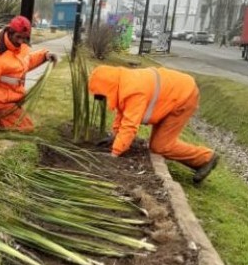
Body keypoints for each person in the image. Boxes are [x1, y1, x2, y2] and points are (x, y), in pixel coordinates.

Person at [88, 65, 219, 183]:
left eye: (101, 95)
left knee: (160, 146)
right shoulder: (125, 83)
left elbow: (130, 125)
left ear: (108, 87)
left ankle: (206, 158)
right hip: (173, 95)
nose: (102, 100)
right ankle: (199, 161)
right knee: (158, 144)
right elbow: (123, 113)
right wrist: (116, 136)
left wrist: (114, 153)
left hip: (183, 97)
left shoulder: (134, 91)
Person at [0, 15, 58, 132]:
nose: (21, 41)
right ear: (9, 32)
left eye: (24, 38)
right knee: (26, 128)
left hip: (11, 101)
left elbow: (25, 63)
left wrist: (44, 56)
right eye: (18, 37)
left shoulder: (19, 47)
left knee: (26, 127)